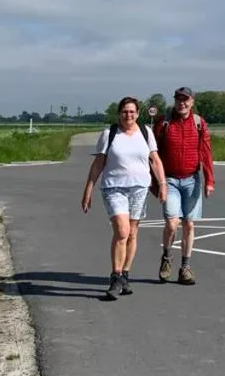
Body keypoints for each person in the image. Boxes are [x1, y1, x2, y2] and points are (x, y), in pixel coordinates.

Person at [81, 97, 166, 300]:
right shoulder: (109, 134)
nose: (128, 115)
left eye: (132, 112)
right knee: (122, 231)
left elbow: (155, 160)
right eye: (125, 112)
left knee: (132, 233)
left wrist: (162, 184)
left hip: (139, 188)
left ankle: (125, 274)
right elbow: (98, 163)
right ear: (119, 114)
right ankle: (115, 276)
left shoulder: (146, 132)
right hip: (114, 188)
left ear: (138, 113)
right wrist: (88, 190)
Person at [151, 86, 214, 285]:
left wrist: (209, 180)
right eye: (178, 99)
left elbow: (206, 152)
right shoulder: (163, 123)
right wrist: (155, 182)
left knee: (189, 224)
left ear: (192, 102)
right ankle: (167, 258)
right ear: (175, 101)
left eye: (185, 100)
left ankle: (185, 268)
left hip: (191, 179)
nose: (182, 103)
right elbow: (153, 154)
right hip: (169, 179)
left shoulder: (198, 123)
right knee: (172, 223)